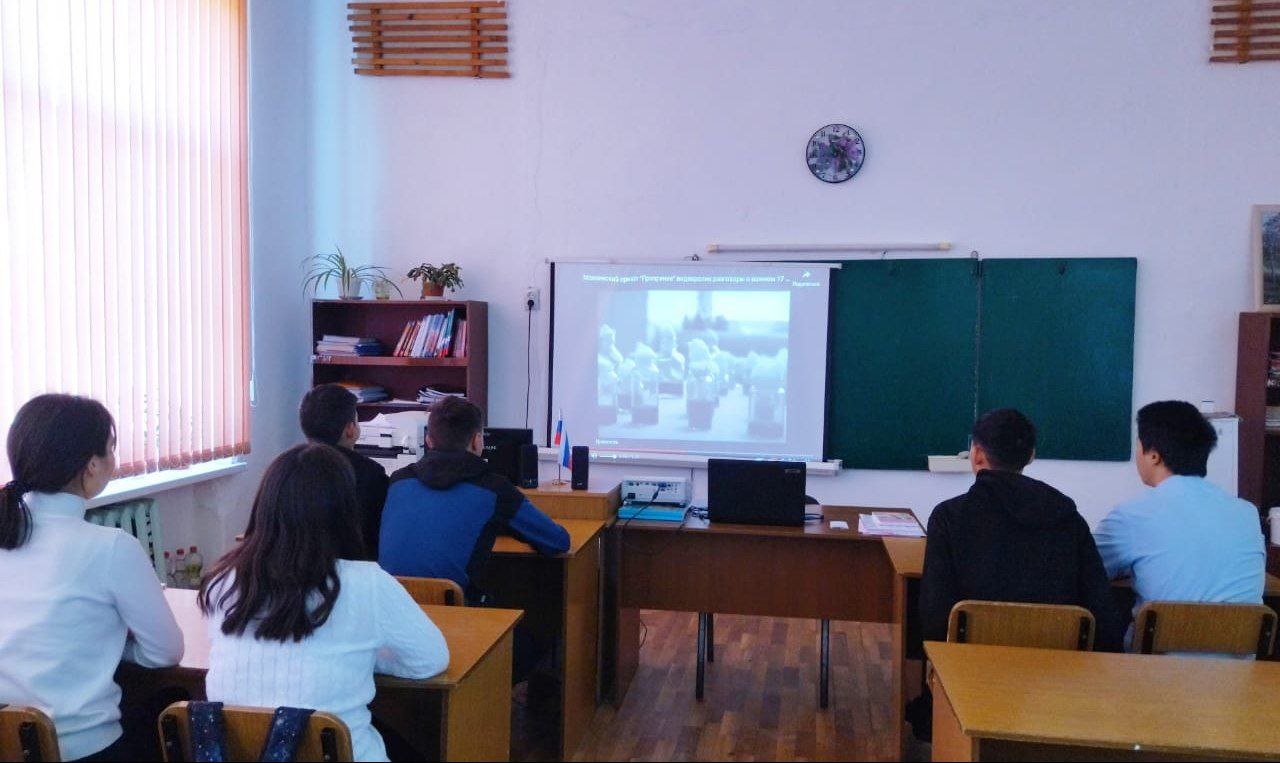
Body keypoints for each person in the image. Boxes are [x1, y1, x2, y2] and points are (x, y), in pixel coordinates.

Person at [200, 443, 448, 763]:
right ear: (345, 509)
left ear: (265, 505)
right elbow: (430, 660)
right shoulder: (366, 583)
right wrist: (366, 654)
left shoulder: (223, 580)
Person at [0, 394, 183, 761]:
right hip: (84, 748)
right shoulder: (111, 548)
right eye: (111, 450)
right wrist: (114, 647)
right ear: (92, 465)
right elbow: (166, 652)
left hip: (7, 744)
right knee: (170, 707)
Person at [919, 408, 1123, 650]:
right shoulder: (1068, 518)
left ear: (977, 455)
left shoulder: (949, 518)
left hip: (971, 672)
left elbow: (933, 620)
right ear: (1031, 456)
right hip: (1056, 672)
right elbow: (1104, 616)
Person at [1094, 400, 1265, 645]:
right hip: (1240, 674)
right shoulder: (1246, 513)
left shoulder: (1132, 515)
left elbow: (1087, 567)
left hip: (1154, 673)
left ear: (1153, 455)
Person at [379, 396, 570, 599]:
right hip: (455, 614)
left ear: (428, 440)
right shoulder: (494, 489)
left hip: (390, 607)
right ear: (477, 440)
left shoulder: (398, 481)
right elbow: (557, 541)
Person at [299, 383, 389, 559]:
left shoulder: (287, 469)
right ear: (350, 429)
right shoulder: (371, 474)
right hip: (358, 572)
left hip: (297, 572)